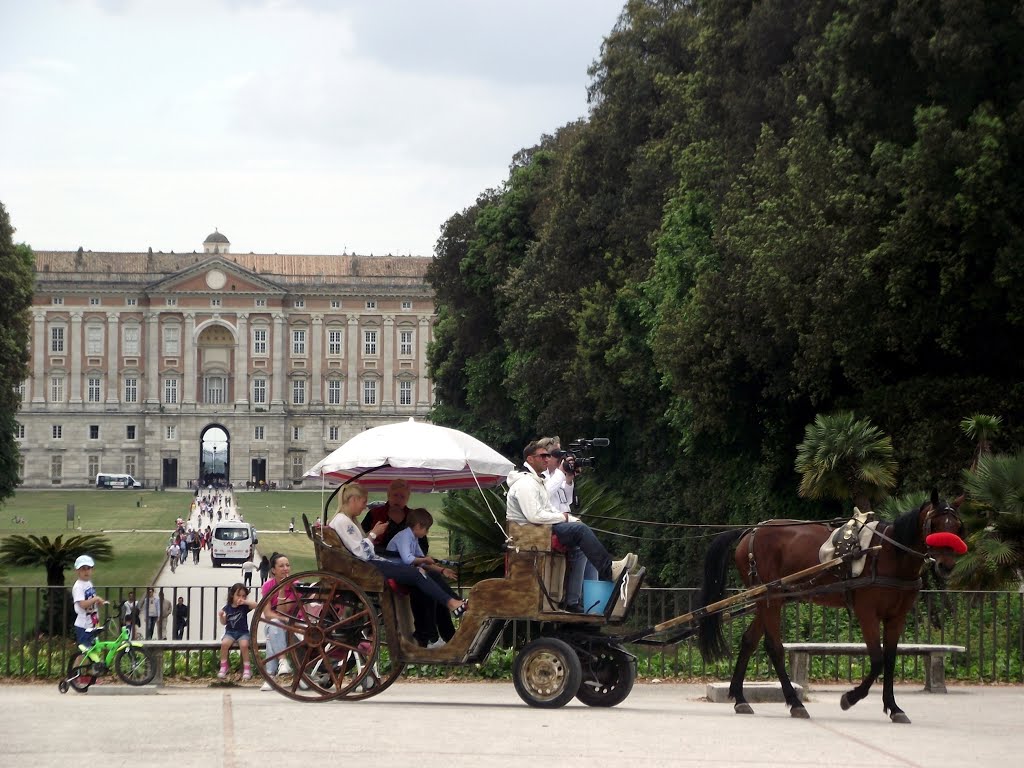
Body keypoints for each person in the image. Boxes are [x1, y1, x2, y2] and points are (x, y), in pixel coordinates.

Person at [506, 440, 636, 599]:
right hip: (532, 532)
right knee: (580, 531)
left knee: (582, 538)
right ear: (530, 459)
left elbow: (550, 508)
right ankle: (608, 570)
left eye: (548, 456)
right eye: (543, 456)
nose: (547, 459)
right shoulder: (526, 483)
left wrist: (571, 519)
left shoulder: (536, 482)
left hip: (540, 529)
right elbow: (534, 515)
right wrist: (564, 517)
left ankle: (584, 600)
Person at [330, 483, 467, 618]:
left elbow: (359, 548)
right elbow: (361, 552)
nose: (365, 506)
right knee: (416, 573)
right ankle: (452, 604)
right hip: (366, 566)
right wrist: (374, 534)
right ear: (353, 499)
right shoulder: (343, 521)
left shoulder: (347, 520)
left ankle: (452, 604)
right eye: (363, 501)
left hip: (369, 563)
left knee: (420, 573)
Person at [540, 435, 599, 613]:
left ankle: (592, 602)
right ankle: (573, 601)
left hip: (564, 523)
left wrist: (569, 477)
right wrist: (561, 472)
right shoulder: (540, 477)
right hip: (549, 527)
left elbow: (566, 499)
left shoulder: (556, 475)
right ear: (546, 457)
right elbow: (545, 495)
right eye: (557, 455)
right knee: (580, 548)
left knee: (591, 549)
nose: (561, 459)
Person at [386, 507, 460, 648]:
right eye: (426, 529)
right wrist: (425, 560)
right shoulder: (404, 536)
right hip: (397, 573)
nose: (427, 533)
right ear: (419, 526)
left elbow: (422, 560)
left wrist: (442, 570)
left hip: (408, 572)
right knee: (429, 583)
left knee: (433, 581)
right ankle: (433, 634)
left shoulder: (413, 537)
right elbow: (408, 559)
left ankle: (443, 633)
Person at [259, 552, 298, 691]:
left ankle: (270, 676)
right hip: (280, 624)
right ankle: (282, 662)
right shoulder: (268, 586)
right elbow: (268, 614)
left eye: (287, 565)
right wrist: (281, 619)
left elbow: (284, 609)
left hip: (295, 625)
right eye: (281, 566)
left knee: (271, 633)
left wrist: (282, 589)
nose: (286, 569)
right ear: (273, 570)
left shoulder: (295, 584)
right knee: (274, 626)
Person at [217, 583, 257, 680]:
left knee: (244, 645)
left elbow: (256, 605)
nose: (241, 598)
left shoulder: (244, 607)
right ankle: (224, 666)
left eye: (243, 596)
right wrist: (221, 617)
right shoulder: (227, 608)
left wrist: (245, 602)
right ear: (232, 595)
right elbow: (224, 622)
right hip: (230, 632)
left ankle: (247, 668)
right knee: (224, 644)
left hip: (242, 632)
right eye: (238, 595)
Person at [71, 555, 106, 650]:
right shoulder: (78, 586)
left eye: (88, 568)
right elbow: (82, 604)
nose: (86, 571)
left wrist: (97, 601)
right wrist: (95, 599)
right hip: (83, 625)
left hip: (92, 623)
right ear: (77, 570)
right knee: (84, 651)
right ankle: (76, 665)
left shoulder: (88, 583)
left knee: (92, 650)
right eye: (83, 569)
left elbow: (90, 600)